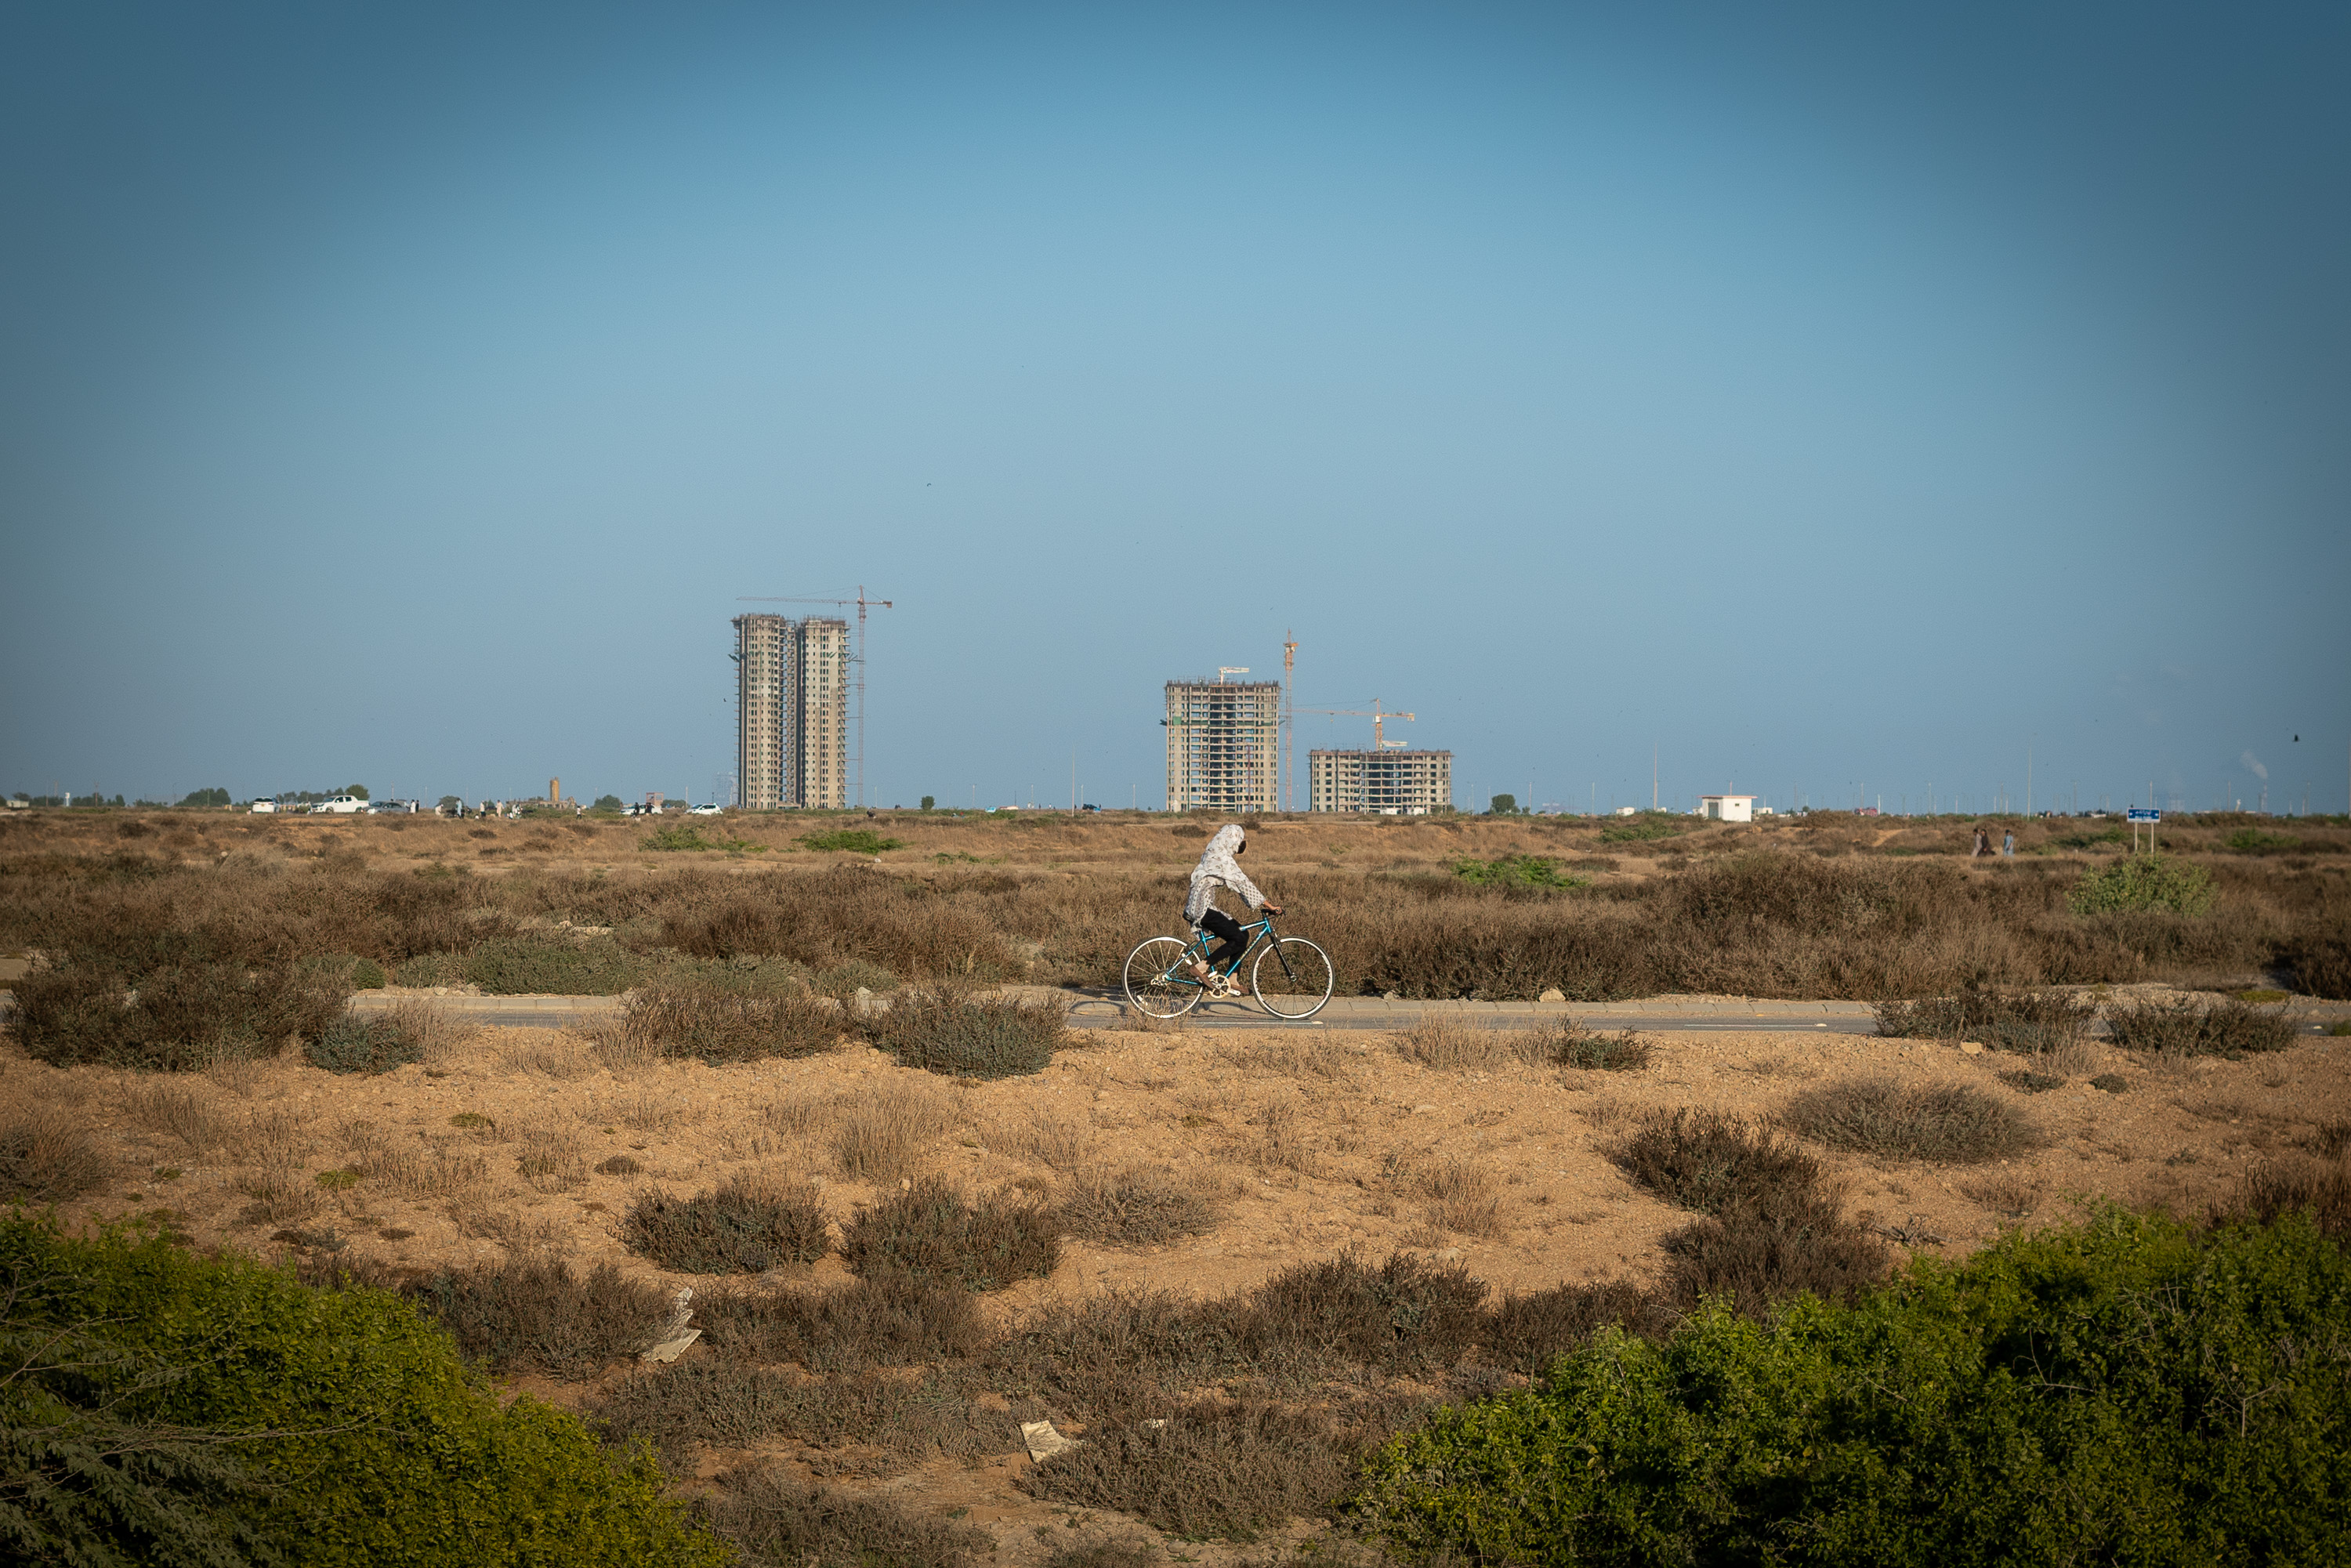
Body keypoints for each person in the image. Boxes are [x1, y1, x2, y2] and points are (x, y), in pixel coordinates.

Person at [1184, 823, 1280, 996]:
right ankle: (1201, 967)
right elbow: (1242, 883)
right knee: (1236, 938)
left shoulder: (1213, 852)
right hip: (1202, 908)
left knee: (1243, 934)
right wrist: (1269, 905)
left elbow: (1238, 885)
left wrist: (1258, 903)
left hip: (1203, 905)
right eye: (1239, 840)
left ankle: (1233, 978)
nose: (1239, 845)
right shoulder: (1222, 858)